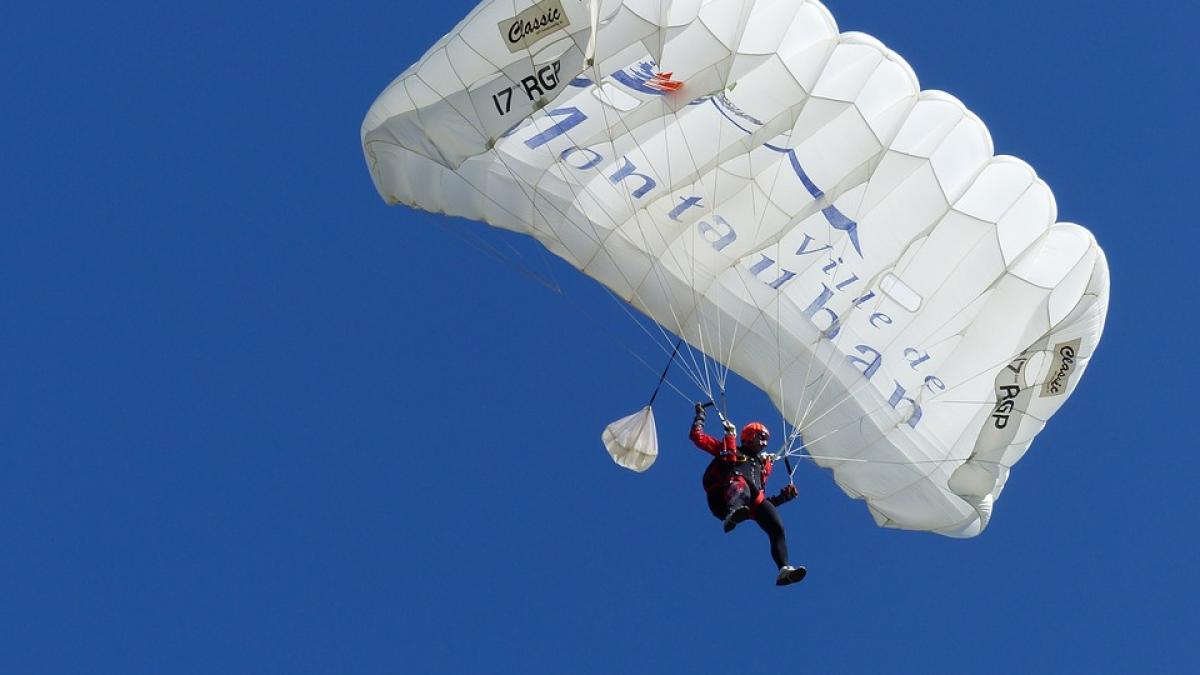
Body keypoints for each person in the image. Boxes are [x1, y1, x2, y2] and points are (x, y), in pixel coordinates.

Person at [690, 403, 806, 586]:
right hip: (722, 498)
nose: (765, 442)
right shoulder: (730, 449)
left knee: (776, 526)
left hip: (747, 501)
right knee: (742, 484)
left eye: (767, 439)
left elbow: (760, 501)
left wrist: (784, 497)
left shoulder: (761, 467)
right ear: (750, 436)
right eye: (761, 437)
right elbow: (697, 437)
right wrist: (700, 417)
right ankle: (732, 514)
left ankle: (783, 569)